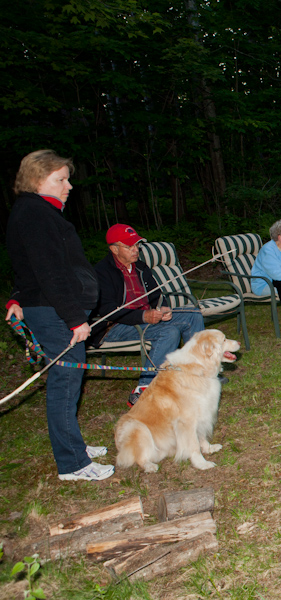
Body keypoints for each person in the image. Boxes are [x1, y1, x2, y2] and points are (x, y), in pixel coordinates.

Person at [5, 150, 114, 481]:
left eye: (68, 178)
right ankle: (73, 464)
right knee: (65, 383)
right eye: (61, 179)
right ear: (38, 180)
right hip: (54, 314)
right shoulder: (35, 214)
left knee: (70, 380)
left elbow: (29, 267)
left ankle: (74, 445)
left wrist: (15, 297)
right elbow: (49, 272)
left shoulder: (37, 212)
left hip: (52, 309)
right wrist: (73, 319)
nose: (69, 186)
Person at [89, 223, 206, 407]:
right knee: (169, 332)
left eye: (137, 245)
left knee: (192, 314)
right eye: (129, 247)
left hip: (146, 318)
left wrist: (164, 308)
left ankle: (198, 374)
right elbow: (108, 311)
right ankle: (144, 389)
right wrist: (144, 317)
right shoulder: (101, 272)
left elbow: (156, 295)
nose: (136, 250)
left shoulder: (141, 267)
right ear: (114, 249)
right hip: (115, 326)